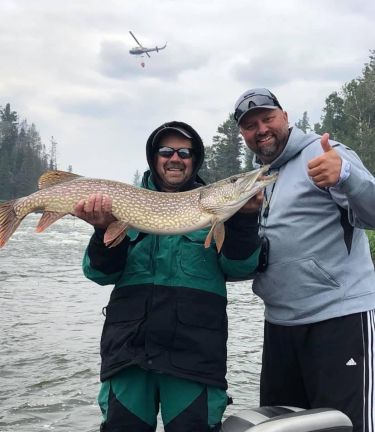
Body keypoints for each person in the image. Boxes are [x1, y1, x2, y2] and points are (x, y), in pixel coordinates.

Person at [74, 121, 262, 432]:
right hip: (129, 355)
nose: (175, 158)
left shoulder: (216, 215)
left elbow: (240, 268)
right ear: (154, 157)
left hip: (195, 357)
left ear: (194, 159)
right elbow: (98, 274)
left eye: (185, 152)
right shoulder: (124, 205)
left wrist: (244, 219)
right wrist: (101, 229)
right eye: (166, 151)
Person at [233, 88, 375, 432]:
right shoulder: (256, 179)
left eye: (267, 118)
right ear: (243, 135)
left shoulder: (326, 154)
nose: (261, 129)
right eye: (250, 125)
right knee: (286, 427)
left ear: (285, 117)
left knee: (350, 425)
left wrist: (347, 176)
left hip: (340, 319)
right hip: (280, 327)